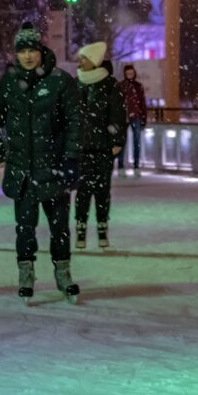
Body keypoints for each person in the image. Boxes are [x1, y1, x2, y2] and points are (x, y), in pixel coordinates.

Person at [0, 22, 82, 304]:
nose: (28, 56)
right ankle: (26, 274)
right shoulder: (9, 82)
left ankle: (63, 273)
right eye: (23, 51)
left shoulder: (59, 81)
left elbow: (75, 122)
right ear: (17, 54)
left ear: (41, 51)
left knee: (59, 227)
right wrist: (1, 150)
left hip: (52, 168)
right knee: (24, 227)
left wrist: (70, 158)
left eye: (32, 50)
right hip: (23, 171)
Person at [73, 42, 127, 249]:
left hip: (103, 146)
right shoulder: (77, 84)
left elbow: (118, 115)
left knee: (103, 190)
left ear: (94, 61)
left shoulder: (110, 85)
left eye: (85, 58)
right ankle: (81, 227)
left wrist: (117, 140)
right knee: (83, 190)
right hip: (82, 147)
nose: (81, 62)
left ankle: (102, 228)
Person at [118, 64, 147, 174]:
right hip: (125, 117)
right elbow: (118, 103)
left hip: (135, 116)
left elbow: (142, 103)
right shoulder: (121, 86)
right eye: (128, 73)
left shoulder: (138, 86)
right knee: (123, 141)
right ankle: (121, 165)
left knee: (136, 141)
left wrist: (143, 117)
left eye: (131, 73)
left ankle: (136, 165)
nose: (130, 75)